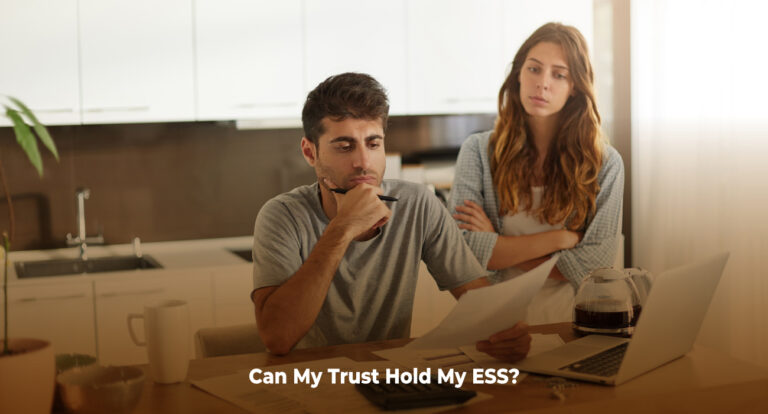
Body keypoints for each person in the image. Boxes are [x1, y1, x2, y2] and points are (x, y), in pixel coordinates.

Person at [251, 72, 531, 361]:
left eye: (373, 144)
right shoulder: (282, 215)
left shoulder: (417, 204)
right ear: (310, 153)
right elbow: (277, 338)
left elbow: (482, 305)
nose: (363, 162)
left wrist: (507, 333)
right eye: (344, 147)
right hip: (311, 377)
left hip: (390, 375)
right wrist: (343, 228)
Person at [449, 23, 624, 324]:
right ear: (518, 74)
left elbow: (593, 268)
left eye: (559, 75)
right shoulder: (477, 151)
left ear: (575, 87)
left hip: (570, 325)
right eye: (534, 69)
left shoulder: (605, 165)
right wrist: (561, 238)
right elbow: (463, 253)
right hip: (494, 325)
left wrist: (498, 245)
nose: (542, 83)